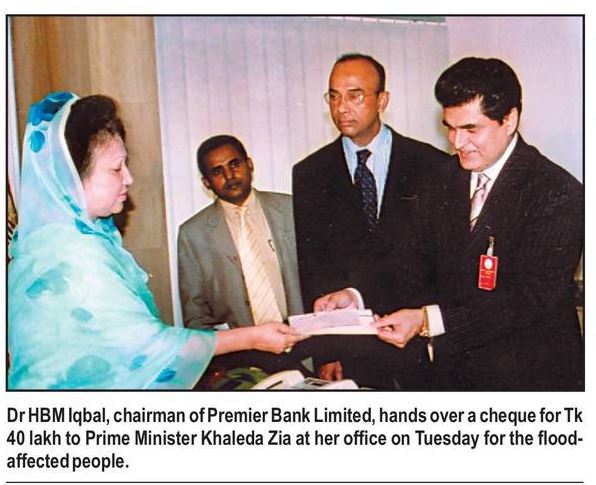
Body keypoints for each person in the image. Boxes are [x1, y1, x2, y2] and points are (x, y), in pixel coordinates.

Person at [7, 92, 305, 390]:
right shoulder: (71, 255)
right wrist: (251, 337)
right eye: (116, 168)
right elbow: (150, 347)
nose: (129, 178)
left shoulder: (80, 239)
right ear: (72, 176)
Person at [318, 57, 584, 390]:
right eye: (450, 128)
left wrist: (427, 320)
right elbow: (409, 262)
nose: (457, 143)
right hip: (454, 376)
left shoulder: (557, 192)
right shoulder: (442, 178)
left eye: (471, 129)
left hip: (529, 380)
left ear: (510, 119)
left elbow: (527, 300)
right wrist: (355, 295)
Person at [292, 53, 449, 389]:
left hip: (421, 344)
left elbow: (442, 263)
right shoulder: (310, 174)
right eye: (334, 96)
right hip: (352, 350)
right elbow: (313, 269)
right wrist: (325, 352)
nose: (341, 107)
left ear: (382, 100)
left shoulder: (432, 165)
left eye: (355, 96)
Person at [178, 134, 304, 374]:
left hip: (303, 344)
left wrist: (329, 353)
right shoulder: (192, 234)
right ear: (206, 182)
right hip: (242, 361)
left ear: (250, 164)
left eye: (234, 164)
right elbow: (196, 314)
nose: (229, 176)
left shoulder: (292, 209)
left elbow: (320, 283)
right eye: (217, 171)